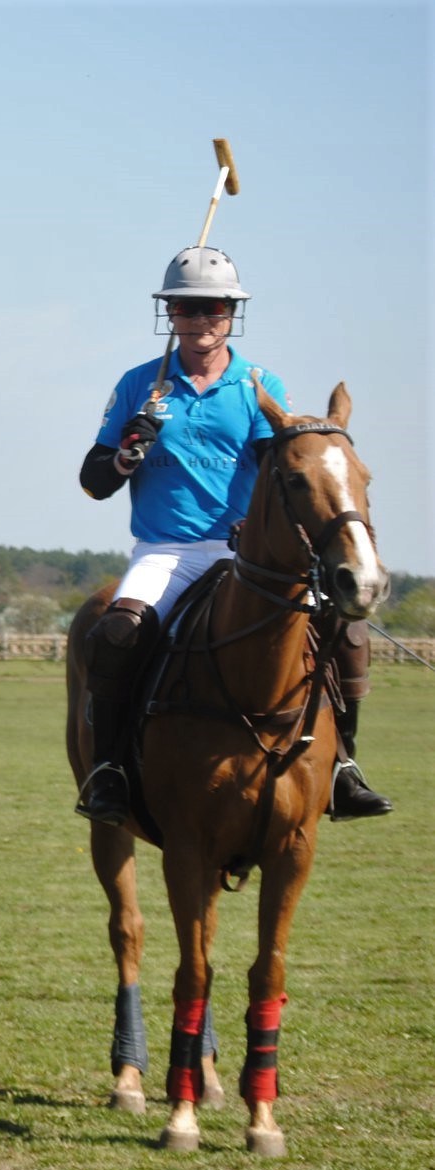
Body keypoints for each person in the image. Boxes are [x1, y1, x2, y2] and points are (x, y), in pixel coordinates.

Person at [74, 246, 391, 824]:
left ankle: (343, 765)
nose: (201, 321)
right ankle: (112, 769)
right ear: (170, 313)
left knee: (346, 633)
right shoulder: (140, 386)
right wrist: (127, 453)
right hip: (166, 551)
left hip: (247, 552)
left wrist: (259, 525)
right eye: (188, 308)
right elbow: (94, 483)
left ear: (232, 313)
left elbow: (284, 470)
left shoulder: (258, 385)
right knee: (116, 634)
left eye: (214, 308)